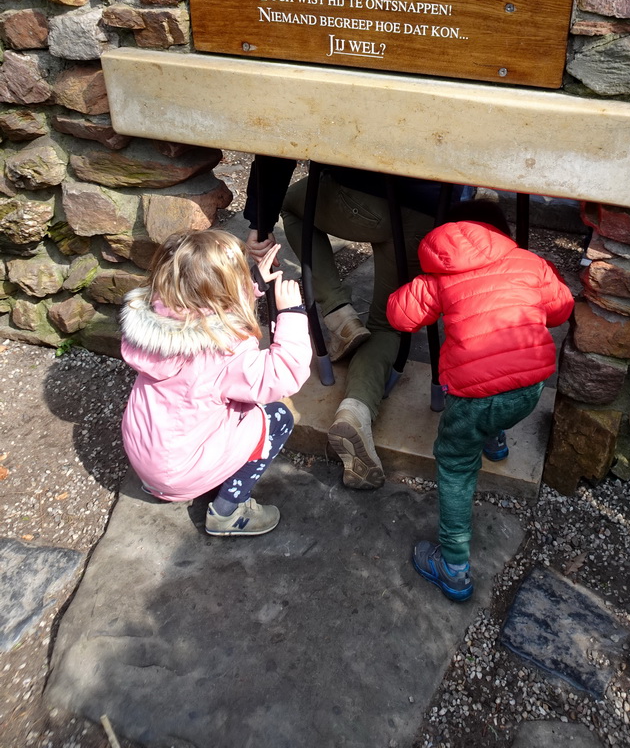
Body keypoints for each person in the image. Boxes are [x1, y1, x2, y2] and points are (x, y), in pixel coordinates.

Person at [386, 200, 574, 601]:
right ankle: (496, 440)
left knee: (455, 464)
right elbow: (561, 310)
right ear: (502, 234)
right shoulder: (530, 263)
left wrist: (425, 281)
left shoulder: (439, 276)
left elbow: (399, 317)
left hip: (473, 396)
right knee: (503, 380)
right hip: (530, 390)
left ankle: (453, 566)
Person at [244, 156, 463, 491]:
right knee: (390, 322)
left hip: (358, 197)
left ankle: (339, 313)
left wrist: (260, 220)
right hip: (429, 208)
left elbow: (275, 144)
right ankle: (355, 410)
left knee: (292, 204)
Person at [120, 228, 312, 537]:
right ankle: (228, 511)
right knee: (277, 417)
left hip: (147, 459)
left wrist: (253, 286)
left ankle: (175, 481)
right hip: (179, 473)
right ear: (224, 293)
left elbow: (204, 306)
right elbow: (284, 374)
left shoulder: (158, 319)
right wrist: (292, 312)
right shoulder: (224, 352)